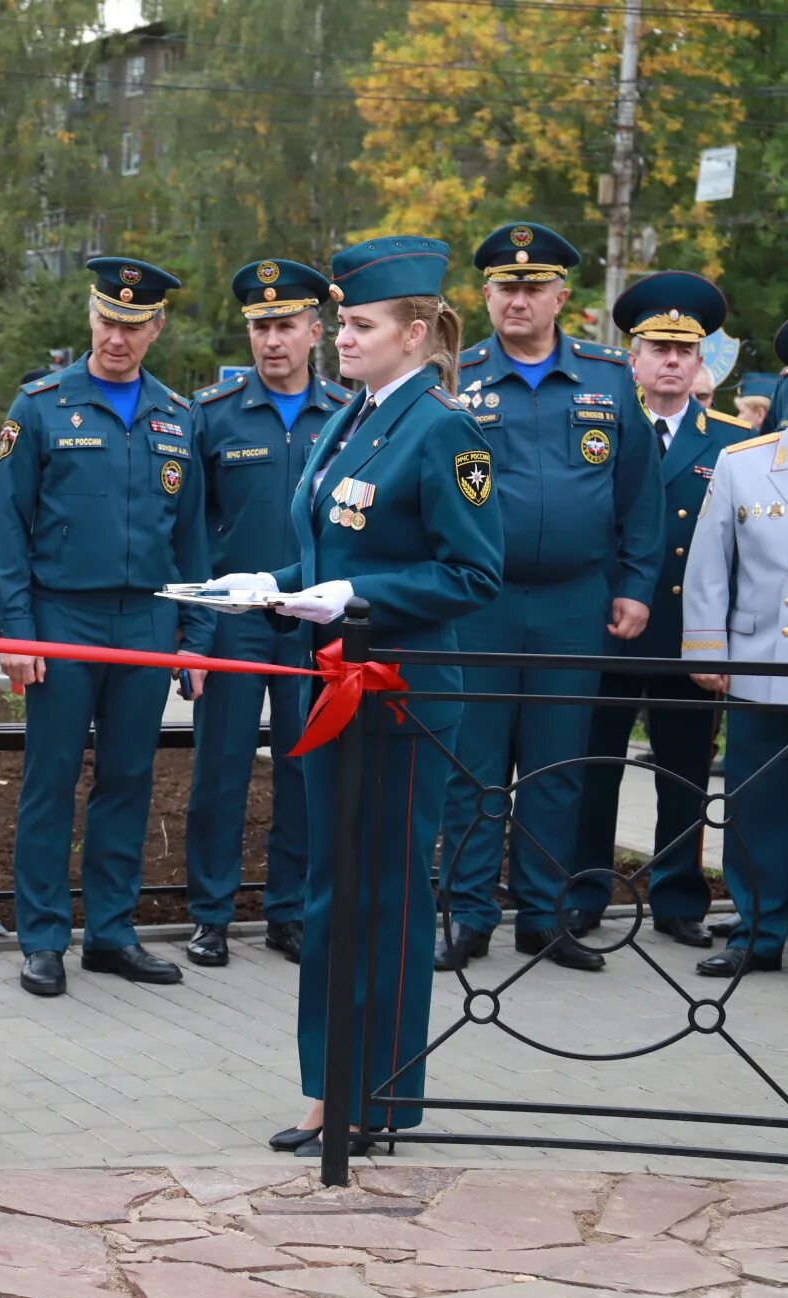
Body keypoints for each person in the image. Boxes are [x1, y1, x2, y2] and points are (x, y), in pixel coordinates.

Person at [209, 235, 504, 1157]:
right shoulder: (355, 416)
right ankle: (329, 1086)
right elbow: (337, 551)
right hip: (339, 681)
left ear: (416, 333)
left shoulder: (443, 428)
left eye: (362, 324)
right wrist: (272, 581)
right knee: (336, 892)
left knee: (383, 898)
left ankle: (374, 1096)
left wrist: (355, 598)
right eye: (343, 321)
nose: (344, 336)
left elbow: (472, 572)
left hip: (400, 697)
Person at [434, 222, 663, 974]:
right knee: (475, 765)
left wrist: (633, 587)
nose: (518, 299)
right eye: (505, 286)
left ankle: (544, 915)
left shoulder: (605, 379)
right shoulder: (456, 378)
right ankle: (467, 913)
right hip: (481, 601)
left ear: (563, 296)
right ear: (487, 295)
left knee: (557, 765)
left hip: (575, 601)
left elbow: (641, 496)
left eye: (534, 287)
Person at [0, 257, 213, 997]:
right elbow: (8, 530)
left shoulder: (179, 416)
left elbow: (193, 543)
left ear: (157, 327)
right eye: (108, 320)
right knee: (50, 779)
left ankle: (111, 931)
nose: (119, 337)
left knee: (129, 777)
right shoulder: (41, 406)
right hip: (62, 618)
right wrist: (17, 631)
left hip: (147, 618)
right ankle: (44, 936)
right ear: (90, 318)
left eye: (134, 324)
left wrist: (194, 638)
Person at [572, 273, 750, 948]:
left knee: (682, 776)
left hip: (686, 638)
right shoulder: (597, 426)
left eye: (685, 350)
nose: (672, 361)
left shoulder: (731, 440)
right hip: (607, 632)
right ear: (633, 359)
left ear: (701, 360)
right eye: (658, 348)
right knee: (593, 772)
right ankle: (585, 891)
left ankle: (678, 898)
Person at [183, 259, 352, 967]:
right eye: (260, 327)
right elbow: (191, 527)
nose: (272, 340)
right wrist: (192, 627)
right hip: (234, 622)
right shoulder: (212, 415)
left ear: (316, 330)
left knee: (305, 770)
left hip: (314, 622)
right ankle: (211, 915)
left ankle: (289, 910)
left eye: (285, 325)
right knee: (219, 772)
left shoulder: (349, 414)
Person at [683, 305, 788, 980]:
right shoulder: (744, 462)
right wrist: (708, 651)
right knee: (757, 803)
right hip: (763, 663)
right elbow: (709, 563)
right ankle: (758, 930)